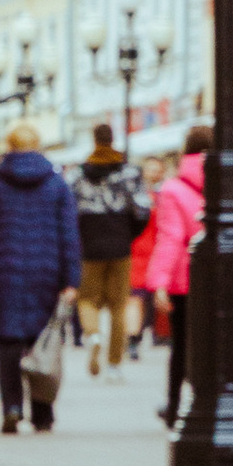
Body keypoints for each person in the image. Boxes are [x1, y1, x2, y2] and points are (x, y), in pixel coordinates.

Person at [0, 120, 83, 434]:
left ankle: (12, 407)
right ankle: (43, 413)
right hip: (47, 272)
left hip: (4, 273)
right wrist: (71, 279)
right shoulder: (57, 186)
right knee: (42, 343)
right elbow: (69, 236)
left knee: (8, 343)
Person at [137, 124, 212, 423]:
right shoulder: (227, 178)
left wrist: (159, 283)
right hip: (219, 275)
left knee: (181, 346)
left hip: (185, 279)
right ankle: (209, 401)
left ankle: (174, 405)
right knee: (213, 343)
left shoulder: (173, 189)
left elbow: (171, 237)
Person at [72, 125, 149, 371]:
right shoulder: (128, 172)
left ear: (94, 139)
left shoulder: (79, 173)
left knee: (87, 299)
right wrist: (129, 233)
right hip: (119, 242)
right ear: (112, 138)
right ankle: (115, 362)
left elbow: (69, 210)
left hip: (90, 243)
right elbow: (143, 209)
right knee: (118, 304)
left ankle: (93, 334)